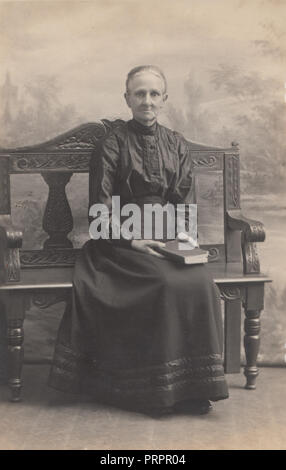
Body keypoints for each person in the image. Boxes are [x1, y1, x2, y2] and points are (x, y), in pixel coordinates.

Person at [48, 65, 229, 415]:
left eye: (154, 94)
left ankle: (191, 388)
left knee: (200, 282)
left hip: (165, 234)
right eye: (139, 94)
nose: (147, 101)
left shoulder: (175, 143)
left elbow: (184, 200)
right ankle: (150, 391)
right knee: (161, 282)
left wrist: (182, 240)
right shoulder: (111, 144)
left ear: (164, 98)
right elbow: (100, 209)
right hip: (118, 242)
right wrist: (135, 242)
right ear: (127, 98)